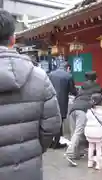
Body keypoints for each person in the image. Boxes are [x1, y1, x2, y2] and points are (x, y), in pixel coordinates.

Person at [0, 9, 61, 180]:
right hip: (27, 170)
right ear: (13, 39)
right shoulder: (39, 77)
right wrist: (33, 148)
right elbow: (52, 125)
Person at [65, 71, 102, 165]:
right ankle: (70, 153)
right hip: (82, 110)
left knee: (75, 132)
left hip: (73, 109)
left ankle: (77, 153)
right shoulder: (97, 87)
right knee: (79, 132)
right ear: (95, 78)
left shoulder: (82, 87)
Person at [48, 64, 78, 149]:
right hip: (61, 102)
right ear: (68, 68)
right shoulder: (68, 76)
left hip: (50, 101)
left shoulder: (51, 74)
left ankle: (50, 142)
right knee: (59, 122)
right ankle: (56, 143)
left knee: (51, 121)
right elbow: (73, 91)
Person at [85, 93, 102, 169]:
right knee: (98, 148)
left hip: (89, 132)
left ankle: (90, 163)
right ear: (101, 102)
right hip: (98, 132)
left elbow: (87, 118)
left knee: (91, 147)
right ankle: (99, 164)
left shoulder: (89, 111)